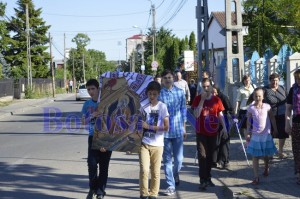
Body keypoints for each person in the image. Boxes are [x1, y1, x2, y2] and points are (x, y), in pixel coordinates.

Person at [192, 78, 228, 190]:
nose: (206, 89)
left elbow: (220, 114)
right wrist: (202, 101)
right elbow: (196, 115)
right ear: (201, 87)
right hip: (201, 132)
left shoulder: (217, 100)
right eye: (204, 87)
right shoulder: (198, 99)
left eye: (208, 86)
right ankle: (203, 180)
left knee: (210, 157)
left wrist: (225, 128)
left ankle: (208, 177)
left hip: (213, 132)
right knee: (202, 156)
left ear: (212, 87)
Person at [81, 79, 112, 199]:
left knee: (104, 166)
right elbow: (83, 122)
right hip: (93, 137)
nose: (90, 91)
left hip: (106, 137)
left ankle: (100, 191)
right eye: (88, 89)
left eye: (93, 89)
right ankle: (92, 188)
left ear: (98, 88)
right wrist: (92, 115)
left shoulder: (106, 102)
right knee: (92, 164)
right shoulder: (87, 104)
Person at [139, 81, 169, 199]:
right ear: (147, 93)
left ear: (158, 94)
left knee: (155, 172)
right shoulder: (143, 106)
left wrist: (149, 127)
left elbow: (167, 127)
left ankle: (153, 194)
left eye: (154, 94)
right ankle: (144, 193)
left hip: (158, 144)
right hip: (144, 143)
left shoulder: (162, 106)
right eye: (150, 94)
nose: (151, 97)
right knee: (144, 170)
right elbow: (137, 122)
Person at [159, 69, 187, 196]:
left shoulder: (180, 92)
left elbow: (183, 110)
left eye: (170, 77)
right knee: (167, 160)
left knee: (179, 159)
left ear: (173, 78)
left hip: (177, 130)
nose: (168, 80)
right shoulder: (159, 94)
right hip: (164, 132)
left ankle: (175, 173)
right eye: (165, 78)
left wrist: (184, 128)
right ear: (162, 80)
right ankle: (171, 184)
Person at [246, 88, 278, 185]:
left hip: (266, 135)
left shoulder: (267, 107)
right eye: (256, 96)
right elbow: (248, 122)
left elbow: (272, 118)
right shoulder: (250, 108)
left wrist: (275, 129)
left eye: (259, 96)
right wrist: (248, 132)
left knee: (265, 155)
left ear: (263, 97)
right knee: (255, 156)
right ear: (253, 96)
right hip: (255, 135)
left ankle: (266, 167)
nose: (258, 98)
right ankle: (256, 177)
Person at [263, 73, 288, 158]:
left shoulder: (282, 88)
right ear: (270, 81)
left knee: (283, 133)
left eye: (277, 80)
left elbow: (287, 99)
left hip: (282, 113)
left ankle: (280, 151)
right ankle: (271, 151)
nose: (275, 82)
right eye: (273, 80)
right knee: (271, 133)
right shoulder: (265, 89)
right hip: (270, 114)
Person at [211, 85, 233, 169]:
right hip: (212, 123)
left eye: (215, 92)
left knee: (224, 140)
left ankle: (225, 160)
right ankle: (214, 160)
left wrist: (232, 116)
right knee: (215, 141)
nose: (214, 94)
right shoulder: (208, 98)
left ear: (218, 92)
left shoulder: (223, 98)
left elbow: (229, 108)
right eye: (212, 92)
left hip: (223, 121)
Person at [285, 69, 300, 185]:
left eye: (299, 78)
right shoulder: (292, 90)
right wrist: (287, 123)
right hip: (296, 123)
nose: (298, 80)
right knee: (297, 149)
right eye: (296, 78)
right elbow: (288, 108)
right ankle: (299, 174)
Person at [234, 74, 256, 142]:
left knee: (253, 126)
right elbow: (238, 100)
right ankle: (247, 142)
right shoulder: (240, 89)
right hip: (244, 109)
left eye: (248, 80)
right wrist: (236, 111)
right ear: (243, 81)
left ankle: (253, 141)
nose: (247, 82)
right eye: (246, 80)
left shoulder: (254, 87)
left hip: (253, 109)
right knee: (245, 127)